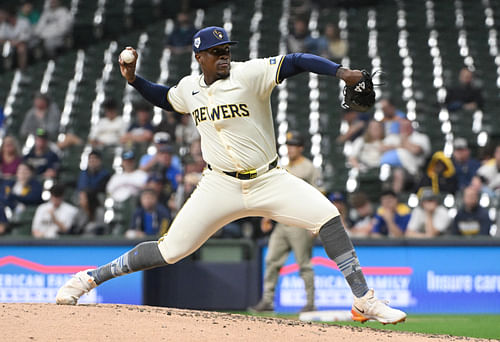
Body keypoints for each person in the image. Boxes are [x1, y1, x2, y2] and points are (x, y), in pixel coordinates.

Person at [56, 26, 406, 325]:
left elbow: (296, 61)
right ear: (199, 58)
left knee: (328, 217)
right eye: (215, 52)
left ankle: (364, 299)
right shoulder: (189, 88)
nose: (223, 56)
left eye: (226, 50)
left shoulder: (249, 73)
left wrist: (341, 73)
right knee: (170, 250)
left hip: (269, 179)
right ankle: (88, 278)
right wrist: (133, 81)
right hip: (219, 183)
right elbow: (165, 97)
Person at [249, 131, 320, 314]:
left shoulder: (309, 168)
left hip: (300, 221)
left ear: (301, 148)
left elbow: (317, 196)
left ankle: (310, 302)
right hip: (281, 222)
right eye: (289, 145)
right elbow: (276, 195)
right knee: (271, 260)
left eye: (294, 145)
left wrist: (315, 223)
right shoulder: (282, 166)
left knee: (304, 264)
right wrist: (267, 216)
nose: (290, 148)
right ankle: (267, 301)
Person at [380, 119, 431, 192]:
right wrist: (403, 146)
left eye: (407, 126)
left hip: (412, 170)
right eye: (402, 126)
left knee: (398, 173)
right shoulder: (394, 137)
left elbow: (416, 151)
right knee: (384, 171)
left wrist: (403, 141)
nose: (404, 129)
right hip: (388, 167)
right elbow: (382, 148)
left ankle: (395, 197)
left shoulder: (420, 137)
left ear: (411, 127)